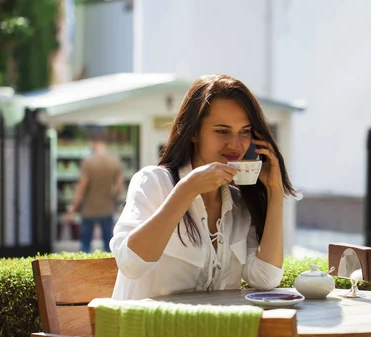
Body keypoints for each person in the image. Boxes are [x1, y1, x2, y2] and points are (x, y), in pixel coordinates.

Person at [110, 74, 298, 300]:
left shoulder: (238, 203)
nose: (235, 144)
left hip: (207, 332)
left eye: (244, 131)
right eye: (222, 131)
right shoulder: (154, 182)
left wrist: (275, 191)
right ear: (194, 132)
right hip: (146, 331)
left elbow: (266, 279)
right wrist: (187, 189)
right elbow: (131, 265)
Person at [66, 127, 124, 253]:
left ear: (93, 142)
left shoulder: (88, 162)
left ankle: (84, 271)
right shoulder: (115, 162)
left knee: (85, 247)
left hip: (89, 210)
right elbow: (119, 187)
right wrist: (111, 198)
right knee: (108, 246)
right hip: (107, 209)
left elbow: (82, 187)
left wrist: (73, 208)